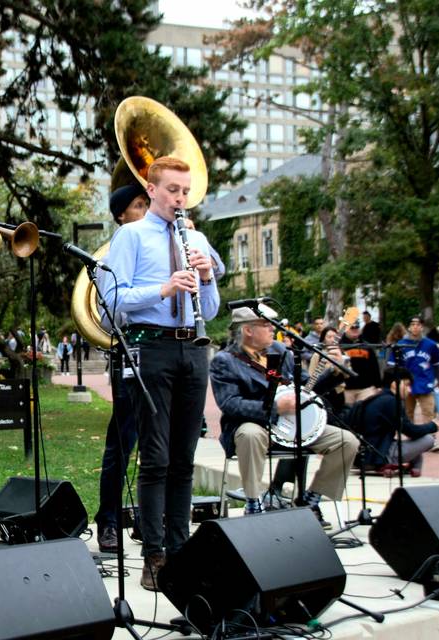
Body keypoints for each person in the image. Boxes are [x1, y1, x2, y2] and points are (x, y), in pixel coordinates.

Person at [100, 156, 220, 591]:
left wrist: (206, 277)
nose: (180, 199)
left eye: (185, 191)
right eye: (172, 190)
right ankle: (154, 555)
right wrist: (163, 289)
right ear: (151, 190)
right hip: (151, 348)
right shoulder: (130, 235)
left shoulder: (197, 238)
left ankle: (180, 549)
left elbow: (211, 309)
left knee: (184, 459)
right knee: (155, 457)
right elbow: (112, 301)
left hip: (193, 348)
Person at [210, 307, 358, 529]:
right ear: (248, 330)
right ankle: (253, 502)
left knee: (347, 441)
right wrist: (274, 408)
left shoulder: (281, 351)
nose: (273, 328)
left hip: (292, 427)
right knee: (250, 434)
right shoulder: (225, 360)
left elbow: (308, 387)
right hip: (255, 425)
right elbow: (230, 404)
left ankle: (312, 499)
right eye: (267, 324)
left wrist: (335, 371)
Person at [93, 182, 148, 553]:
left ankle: (149, 519)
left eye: (148, 204)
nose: (147, 211)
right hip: (132, 354)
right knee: (122, 443)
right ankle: (109, 521)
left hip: (165, 354)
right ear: (121, 216)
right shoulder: (114, 255)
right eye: (139, 205)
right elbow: (107, 316)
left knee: (159, 444)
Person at [350, 369, 439, 478]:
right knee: (428, 439)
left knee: (415, 442)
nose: (409, 390)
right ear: (394, 384)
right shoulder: (392, 401)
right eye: (407, 385)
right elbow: (411, 431)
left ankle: (412, 468)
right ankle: (391, 464)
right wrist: (433, 426)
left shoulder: (376, 398)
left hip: (365, 455)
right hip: (380, 454)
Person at [388, 316, 439, 424]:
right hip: (407, 383)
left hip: (425, 382)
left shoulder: (430, 345)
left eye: (418, 325)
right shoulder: (400, 345)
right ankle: (411, 433)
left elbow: (438, 364)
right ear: (408, 327)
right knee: (407, 414)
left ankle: (430, 433)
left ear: (422, 327)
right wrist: (394, 382)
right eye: (412, 325)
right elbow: (392, 365)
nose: (415, 327)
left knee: (429, 413)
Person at [340, 319, 381, 405]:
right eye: (352, 327)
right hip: (346, 389)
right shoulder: (339, 346)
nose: (355, 329)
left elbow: (374, 366)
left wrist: (378, 386)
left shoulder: (366, 346)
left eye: (357, 327)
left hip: (365, 388)